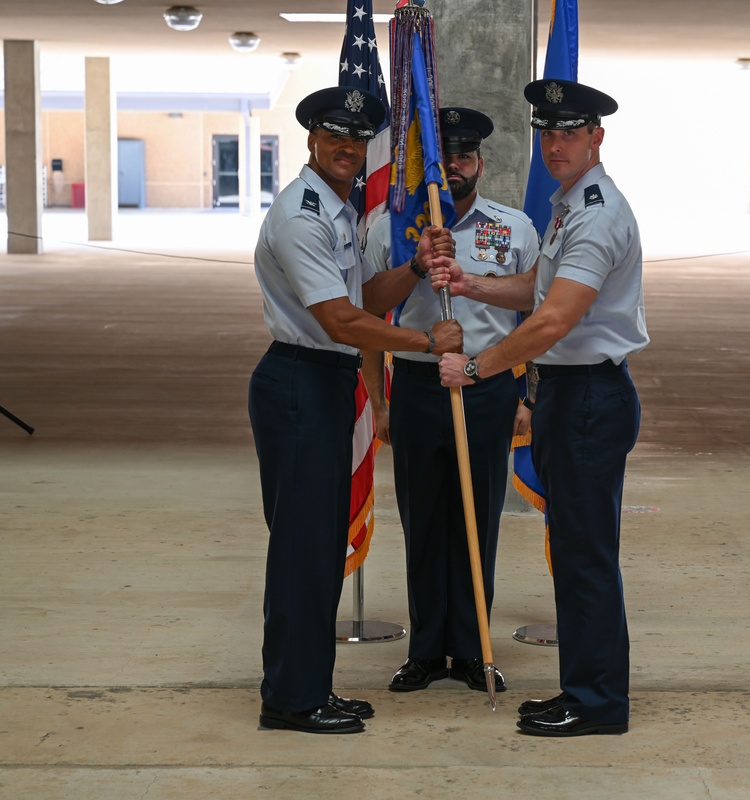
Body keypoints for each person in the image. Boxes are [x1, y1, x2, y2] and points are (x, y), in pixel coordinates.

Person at [432, 80, 649, 737]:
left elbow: (553, 320)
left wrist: (475, 367)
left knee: (586, 556)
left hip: (589, 397)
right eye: (547, 132)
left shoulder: (597, 213)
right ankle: (581, 688)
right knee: (577, 548)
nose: (555, 144)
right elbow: (539, 287)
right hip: (569, 395)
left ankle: (599, 702)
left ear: (596, 139)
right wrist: (473, 284)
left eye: (570, 132)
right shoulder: (568, 207)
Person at [248, 86, 463, 734]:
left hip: (322, 383)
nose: (346, 147)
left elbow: (362, 296)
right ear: (311, 140)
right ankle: (290, 698)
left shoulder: (337, 211)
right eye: (333, 135)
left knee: (317, 547)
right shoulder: (303, 216)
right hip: (300, 383)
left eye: (356, 138)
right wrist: (425, 340)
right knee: (302, 549)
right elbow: (340, 320)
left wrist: (416, 270)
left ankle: (310, 685)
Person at [361, 107, 540, 694]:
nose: (453, 170)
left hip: (487, 388)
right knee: (423, 519)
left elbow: (533, 318)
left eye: (463, 158)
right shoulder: (392, 227)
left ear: (480, 164)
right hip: (415, 385)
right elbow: (366, 309)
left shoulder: (511, 227)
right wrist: (379, 404)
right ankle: (425, 649)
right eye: (442, 160)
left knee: (477, 518)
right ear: (421, 167)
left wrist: (525, 395)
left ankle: (471, 648)